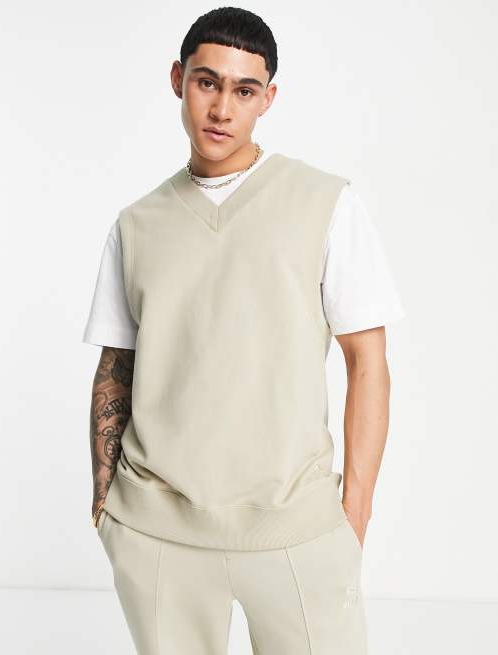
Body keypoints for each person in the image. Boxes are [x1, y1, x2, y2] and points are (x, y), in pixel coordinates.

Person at [83, 7, 404, 654]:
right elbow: (117, 364)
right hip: (157, 531)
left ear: (268, 98)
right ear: (178, 80)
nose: (222, 108)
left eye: (244, 90)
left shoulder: (326, 203)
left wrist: (354, 516)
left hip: (295, 528)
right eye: (207, 82)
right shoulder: (136, 224)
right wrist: (106, 505)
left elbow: (367, 361)